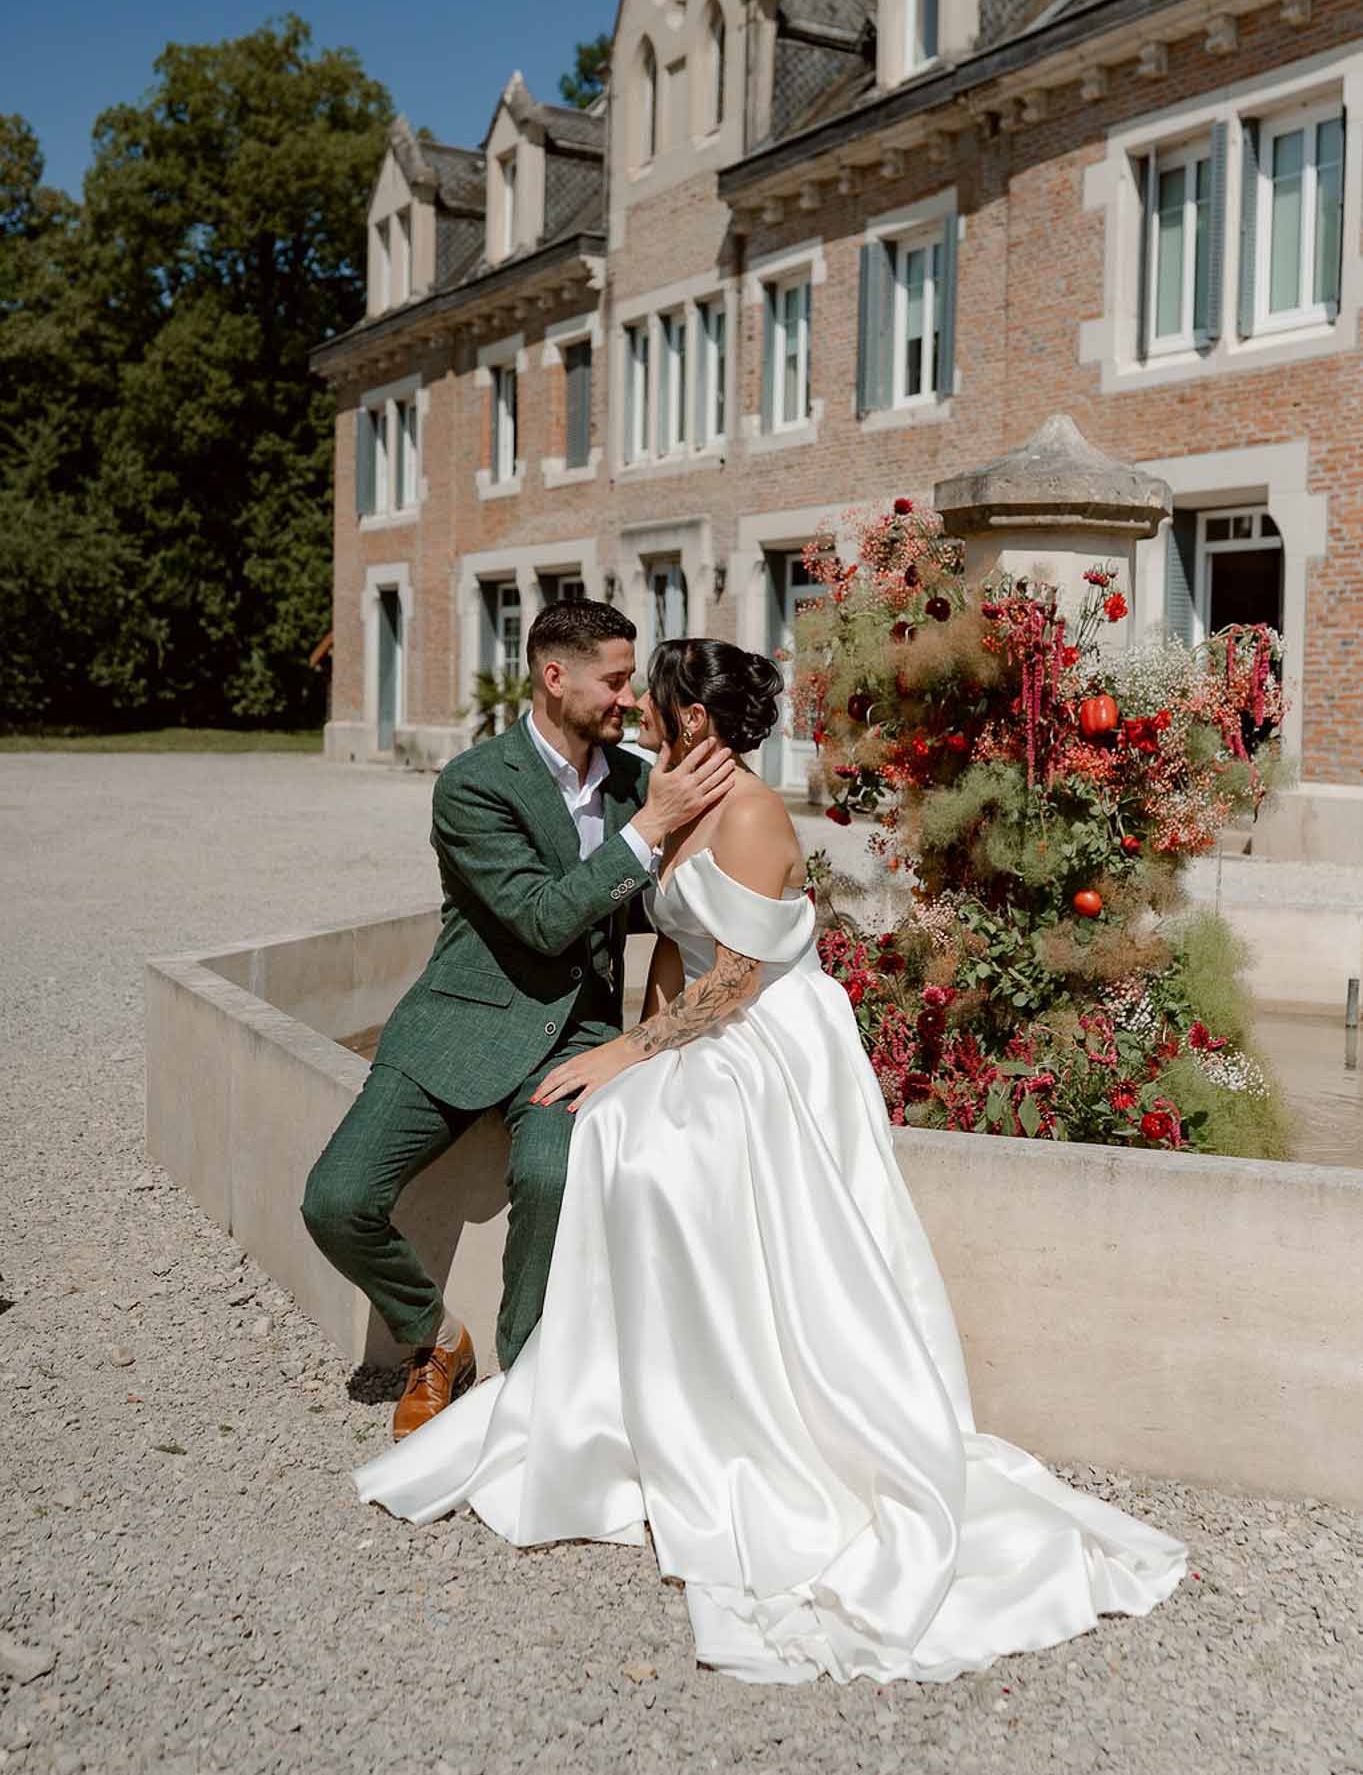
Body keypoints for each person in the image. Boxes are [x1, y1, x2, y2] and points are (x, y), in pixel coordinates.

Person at [353, 638, 1187, 1686]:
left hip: (763, 1035)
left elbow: (737, 977)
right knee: (613, 1127)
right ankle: (624, 1402)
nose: (641, 711)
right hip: (690, 1021)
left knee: (662, 1153)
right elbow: (666, 945)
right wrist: (632, 1047)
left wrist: (625, 1052)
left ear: (692, 714)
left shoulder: (749, 812)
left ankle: (736, 1412)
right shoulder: (671, 790)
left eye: (653, 698)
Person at [301, 602, 735, 1441]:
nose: (628, 700)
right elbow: (540, 918)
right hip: (459, 1020)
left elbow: (675, 901)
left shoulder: (642, 778)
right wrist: (648, 830)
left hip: (575, 1038)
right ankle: (436, 1340)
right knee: (336, 1198)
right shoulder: (474, 784)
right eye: (613, 680)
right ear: (553, 676)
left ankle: (526, 1384)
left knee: (549, 1178)